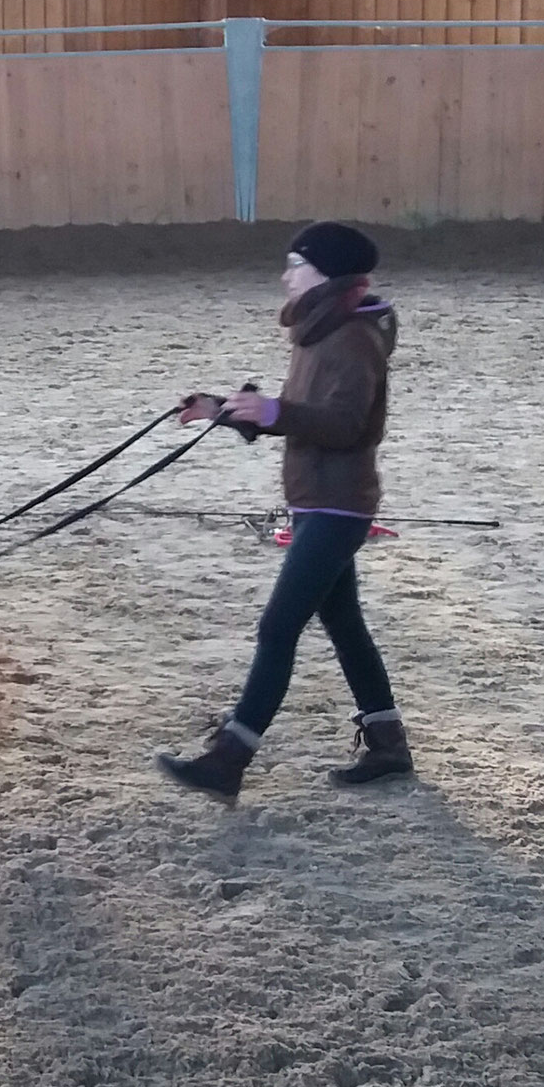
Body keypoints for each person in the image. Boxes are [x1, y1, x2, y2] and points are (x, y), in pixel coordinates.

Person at [158, 221, 412, 799]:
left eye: (294, 264)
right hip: (318, 499)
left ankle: (231, 756)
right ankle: (387, 742)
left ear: (323, 272)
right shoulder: (324, 331)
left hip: (337, 505)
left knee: (277, 628)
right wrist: (226, 409)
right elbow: (302, 413)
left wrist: (273, 412)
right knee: (344, 623)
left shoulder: (350, 338)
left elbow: (345, 425)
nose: (285, 275)